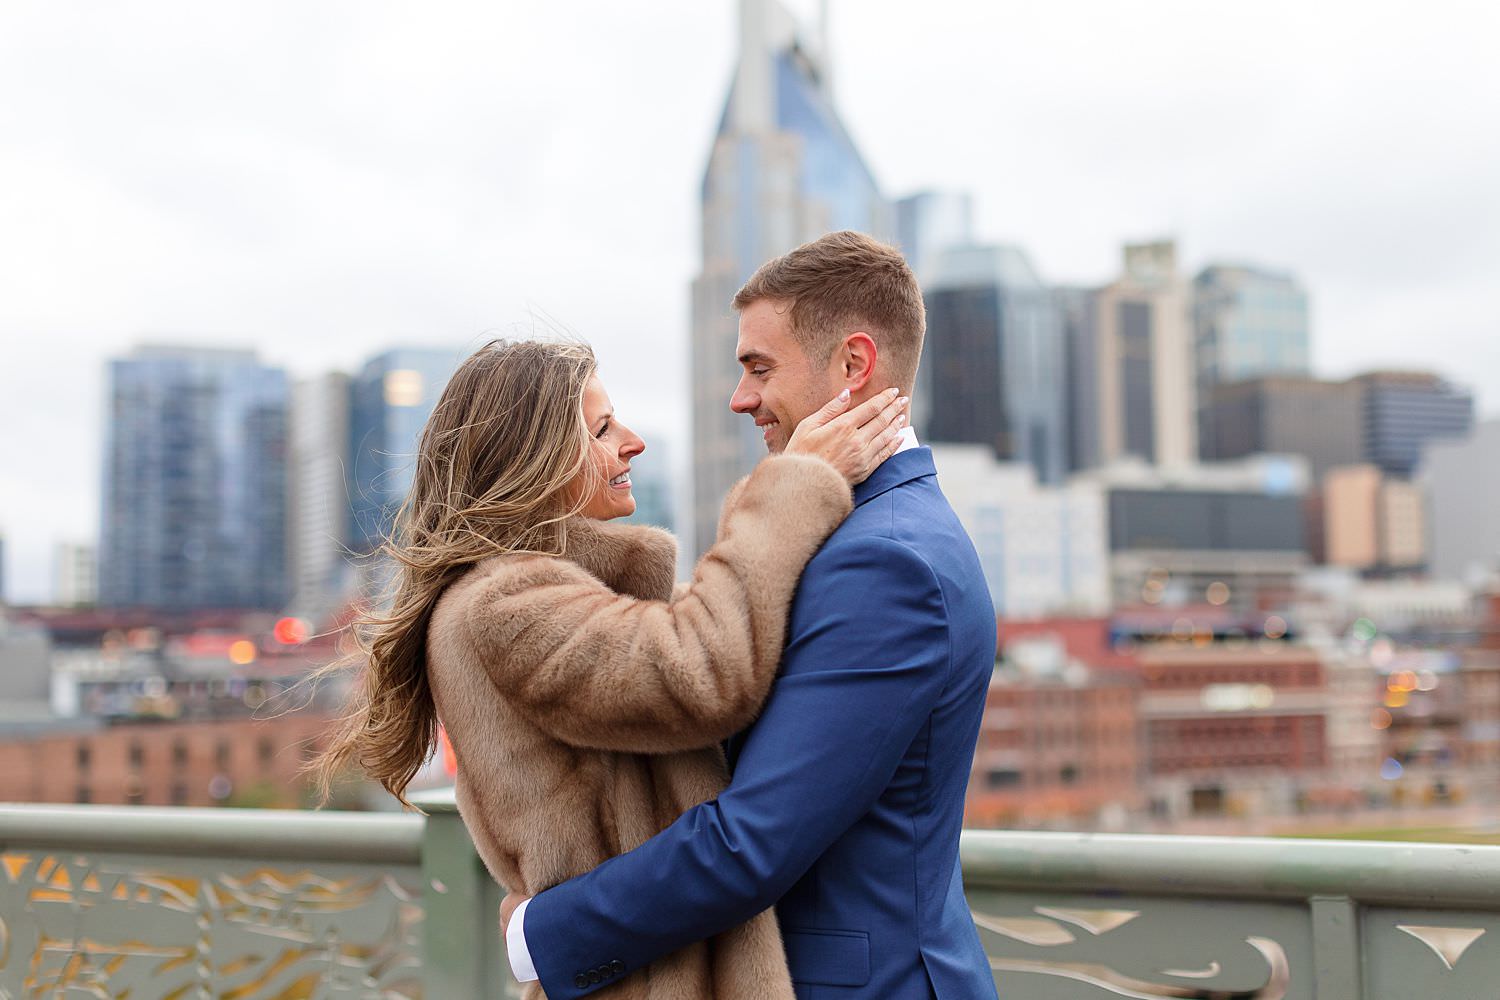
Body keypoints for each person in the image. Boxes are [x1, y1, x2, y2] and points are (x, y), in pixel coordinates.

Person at [313, 337, 909, 1000]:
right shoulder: (506, 606)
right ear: (533, 460)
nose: (633, 443)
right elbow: (705, 669)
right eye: (601, 430)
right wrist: (794, 485)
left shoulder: (542, 596)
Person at [503, 232, 1001, 999]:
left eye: (759, 368)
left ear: (854, 365)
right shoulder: (854, 530)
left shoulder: (884, 562)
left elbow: (753, 841)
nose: (740, 398)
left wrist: (543, 933)